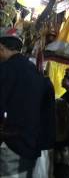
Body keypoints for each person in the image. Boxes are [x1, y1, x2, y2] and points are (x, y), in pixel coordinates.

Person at [0, 28, 54, 177]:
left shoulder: (4, 69)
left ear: (1, 47)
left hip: (11, 144)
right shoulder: (36, 73)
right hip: (32, 145)